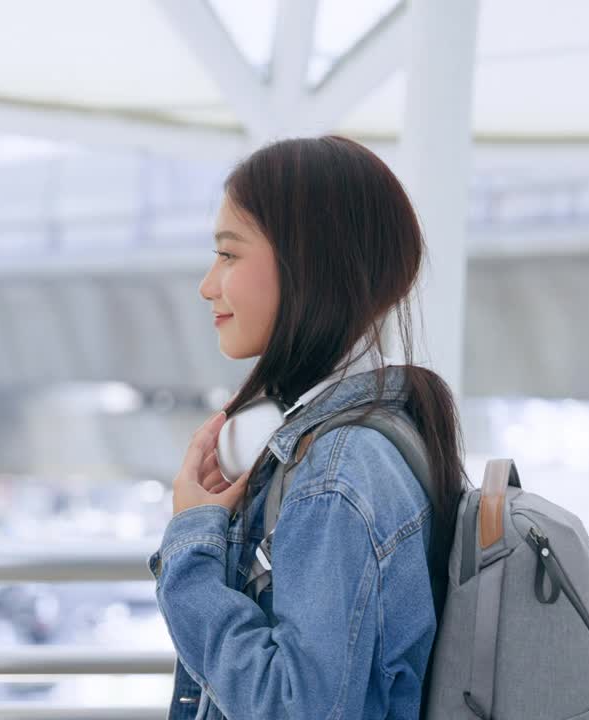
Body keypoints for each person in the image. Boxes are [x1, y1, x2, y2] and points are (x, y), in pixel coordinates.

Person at [147, 136, 467, 719]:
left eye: (228, 255)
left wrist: (190, 555)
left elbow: (295, 708)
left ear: (307, 265)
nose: (207, 285)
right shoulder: (381, 435)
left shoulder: (336, 474)